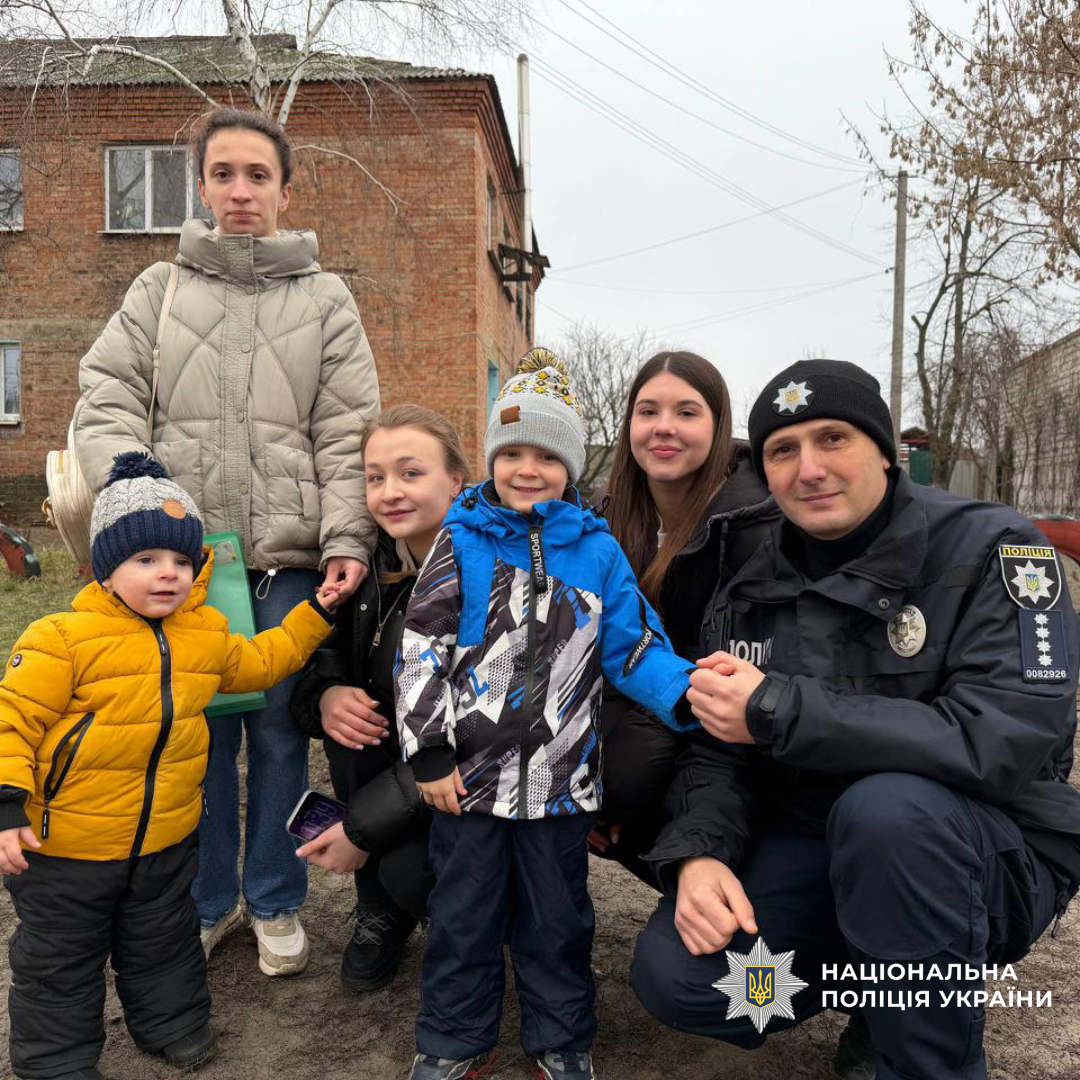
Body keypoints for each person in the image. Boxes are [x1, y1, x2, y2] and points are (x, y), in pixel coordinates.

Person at [629, 359, 1080, 1080]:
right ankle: (883, 988)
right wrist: (697, 854)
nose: (809, 469)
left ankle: (926, 1055)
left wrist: (781, 709)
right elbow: (720, 744)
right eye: (783, 450)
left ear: (882, 450)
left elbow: (1001, 742)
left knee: (888, 815)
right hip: (823, 853)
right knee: (691, 980)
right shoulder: (748, 572)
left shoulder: (997, 549)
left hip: (986, 850)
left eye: (832, 438)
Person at [72, 106, 380, 976]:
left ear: (286, 191)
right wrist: (134, 479)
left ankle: (276, 899)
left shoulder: (326, 298)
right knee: (196, 733)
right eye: (223, 175)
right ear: (200, 187)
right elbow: (105, 395)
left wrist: (348, 532)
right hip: (186, 560)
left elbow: (348, 427)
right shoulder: (156, 290)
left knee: (284, 735)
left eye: (258, 176)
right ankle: (209, 903)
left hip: (288, 560)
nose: (240, 191)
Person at [395, 352, 703, 1080]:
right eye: (513, 454)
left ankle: (560, 1037)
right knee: (463, 917)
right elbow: (421, 650)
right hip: (468, 783)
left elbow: (634, 648)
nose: (528, 469)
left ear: (569, 463)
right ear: (494, 460)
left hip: (562, 787)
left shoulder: (595, 551)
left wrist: (690, 695)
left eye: (546, 455)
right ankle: (453, 1038)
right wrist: (429, 753)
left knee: (557, 920)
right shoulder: (461, 541)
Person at [0, 453, 337, 1080]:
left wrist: (313, 614)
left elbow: (263, 662)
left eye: (183, 561)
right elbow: (10, 720)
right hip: (68, 848)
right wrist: (4, 804)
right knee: (59, 964)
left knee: (164, 945)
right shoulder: (61, 638)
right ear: (106, 567)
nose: (169, 575)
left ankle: (174, 1027)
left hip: (165, 841)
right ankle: (55, 1064)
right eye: (146, 560)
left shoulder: (202, 635)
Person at [288, 405, 468, 993]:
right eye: (374, 476)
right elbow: (319, 660)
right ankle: (381, 909)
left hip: (468, 788)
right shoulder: (369, 562)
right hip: (403, 776)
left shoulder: (486, 570)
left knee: (408, 870)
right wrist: (326, 697)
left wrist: (360, 832)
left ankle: (461, 914)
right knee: (355, 716)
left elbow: (477, 735)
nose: (389, 492)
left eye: (410, 473)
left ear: (457, 481)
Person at [592, 351, 777, 875]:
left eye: (687, 412)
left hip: (715, 723)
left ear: (718, 426)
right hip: (631, 698)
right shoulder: (605, 514)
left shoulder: (755, 524)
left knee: (631, 769)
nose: (663, 428)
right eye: (648, 411)